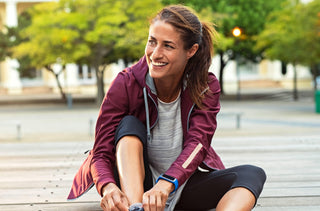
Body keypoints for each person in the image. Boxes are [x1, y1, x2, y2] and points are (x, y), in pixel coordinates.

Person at [68, 5, 266, 211]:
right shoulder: (125, 83)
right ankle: (137, 209)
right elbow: (100, 151)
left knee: (252, 174)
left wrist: (166, 184)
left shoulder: (205, 86)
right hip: (136, 190)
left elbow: (198, 144)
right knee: (128, 125)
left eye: (168, 46)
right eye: (152, 42)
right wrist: (107, 187)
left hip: (180, 185)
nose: (155, 54)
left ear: (191, 50)